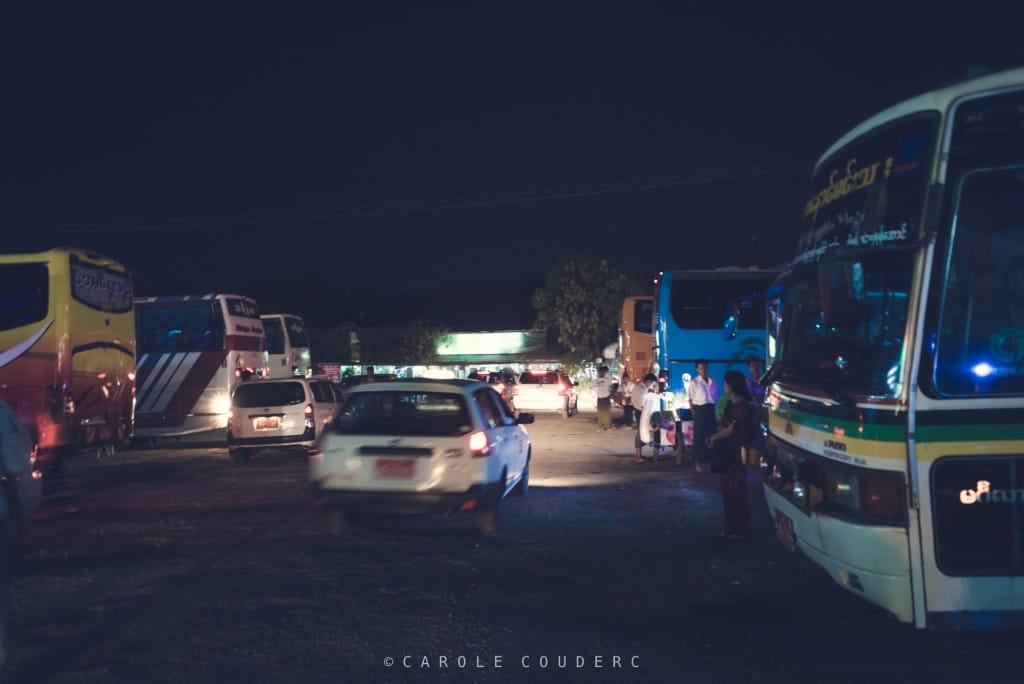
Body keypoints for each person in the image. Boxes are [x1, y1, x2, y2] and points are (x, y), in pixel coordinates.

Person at [706, 370, 755, 541]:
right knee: (728, 491)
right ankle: (731, 528)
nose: (723, 387)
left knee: (736, 491)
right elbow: (724, 426)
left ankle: (740, 529)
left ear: (732, 386)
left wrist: (714, 437)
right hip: (728, 452)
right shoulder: (731, 405)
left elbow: (731, 429)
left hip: (736, 454)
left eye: (725, 384)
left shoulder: (743, 408)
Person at [687, 359, 718, 472]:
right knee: (699, 437)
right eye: (701, 368)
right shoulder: (694, 382)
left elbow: (715, 397)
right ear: (697, 369)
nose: (703, 370)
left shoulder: (713, 381)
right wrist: (694, 413)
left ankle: (710, 461)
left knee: (711, 435)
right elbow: (690, 400)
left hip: (710, 409)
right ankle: (698, 462)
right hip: (699, 410)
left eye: (705, 367)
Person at [633, 373, 660, 462]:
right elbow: (644, 403)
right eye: (652, 384)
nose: (652, 386)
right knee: (641, 432)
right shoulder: (642, 389)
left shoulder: (638, 387)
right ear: (649, 381)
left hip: (638, 410)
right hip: (641, 412)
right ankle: (638, 456)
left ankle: (639, 454)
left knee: (641, 431)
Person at [592, 365, 614, 431]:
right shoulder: (607, 379)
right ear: (605, 372)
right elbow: (610, 379)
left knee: (600, 413)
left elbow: (590, 385)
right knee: (606, 413)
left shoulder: (597, 380)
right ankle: (608, 427)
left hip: (599, 398)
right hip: (606, 397)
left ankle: (600, 427)